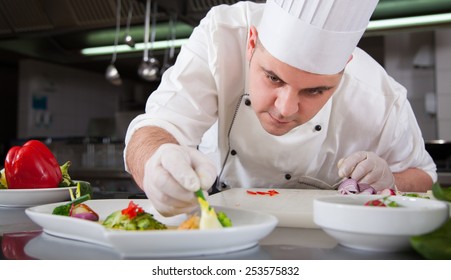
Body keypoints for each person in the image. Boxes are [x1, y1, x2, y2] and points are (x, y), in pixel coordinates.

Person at [124, 0, 437, 216]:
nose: (286, 108)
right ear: (251, 43)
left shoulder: (380, 97)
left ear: (345, 68)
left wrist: (391, 182)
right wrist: (156, 162)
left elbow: (424, 175)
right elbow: (156, 128)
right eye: (272, 77)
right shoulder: (221, 37)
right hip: (220, 223)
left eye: (316, 90)